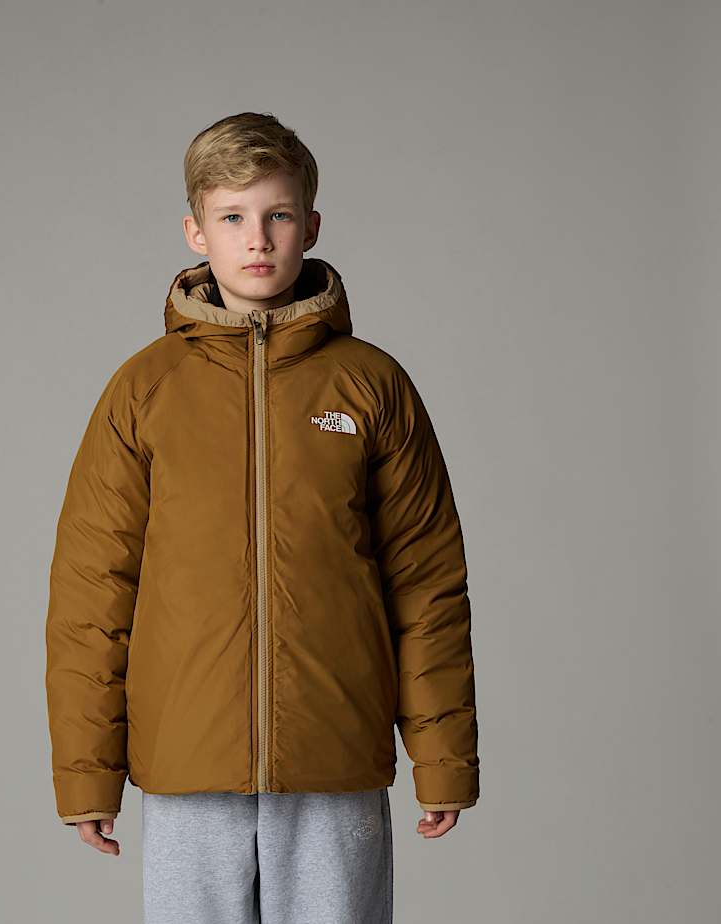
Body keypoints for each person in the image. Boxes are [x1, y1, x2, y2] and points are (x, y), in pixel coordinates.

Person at [45, 111, 479, 923]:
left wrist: (444, 758)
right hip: (186, 763)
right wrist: (86, 775)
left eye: (278, 214)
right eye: (232, 217)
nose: (257, 239)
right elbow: (91, 595)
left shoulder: (372, 385)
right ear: (195, 232)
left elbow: (426, 585)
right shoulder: (144, 391)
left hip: (334, 759)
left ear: (310, 226)